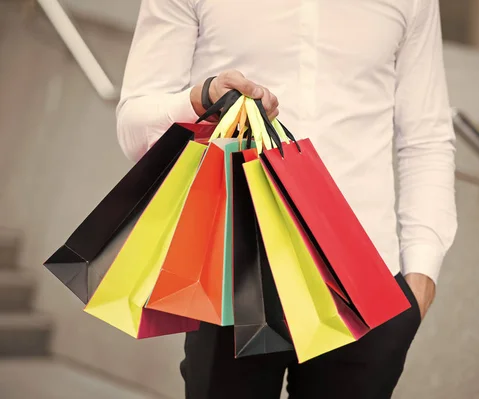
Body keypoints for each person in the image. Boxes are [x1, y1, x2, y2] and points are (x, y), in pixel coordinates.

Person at [116, 0, 457, 397]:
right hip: (233, 274)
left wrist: (420, 278)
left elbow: (426, 137)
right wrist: (198, 99)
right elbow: (133, 128)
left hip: (369, 282)